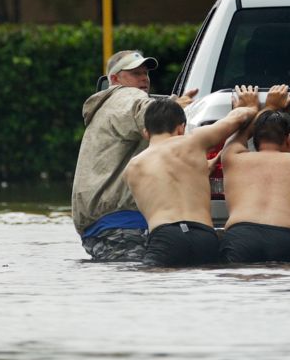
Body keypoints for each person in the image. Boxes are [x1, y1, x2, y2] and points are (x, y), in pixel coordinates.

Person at [72, 50, 198, 261]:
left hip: (99, 228)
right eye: (135, 73)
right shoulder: (125, 95)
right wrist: (174, 109)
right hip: (123, 225)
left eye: (145, 73)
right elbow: (146, 112)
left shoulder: (107, 107)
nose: (143, 78)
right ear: (114, 79)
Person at [122, 85, 259, 266]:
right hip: (203, 235)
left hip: (165, 237)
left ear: (146, 133)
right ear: (181, 128)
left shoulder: (132, 168)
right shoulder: (194, 141)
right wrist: (250, 106)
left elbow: (169, 181)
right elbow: (238, 117)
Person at [219, 84, 290, 263]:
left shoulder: (232, 157)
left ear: (255, 140)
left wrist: (268, 107)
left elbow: (239, 135)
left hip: (241, 238)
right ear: (289, 139)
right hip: (286, 239)